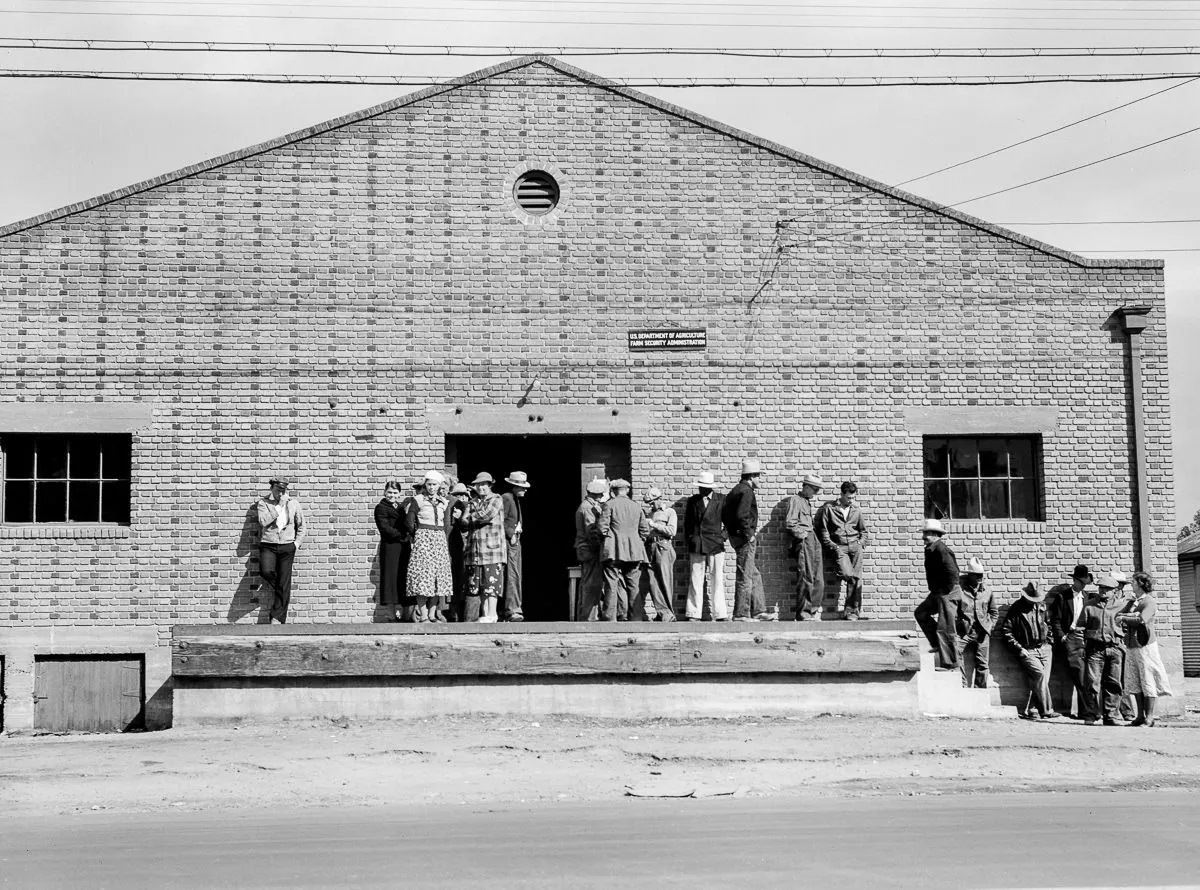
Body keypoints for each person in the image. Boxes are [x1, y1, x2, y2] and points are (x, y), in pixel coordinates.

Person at [1117, 571, 1174, 727]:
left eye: (1134, 582)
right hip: (1131, 645)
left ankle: (1149, 717)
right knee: (1134, 680)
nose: (1132, 585)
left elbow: (1142, 619)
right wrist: (1126, 613)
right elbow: (1120, 613)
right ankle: (1139, 716)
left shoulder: (1149, 601)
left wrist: (1125, 617)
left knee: (1147, 679)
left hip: (1145, 645)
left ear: (1141, 584)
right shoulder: (1134, 601)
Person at [1000, 582, 1057, 720]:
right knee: (1040, 676)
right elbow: (1006, 631)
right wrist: (1019, 649)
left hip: (1044, 648)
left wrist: (1049, 642)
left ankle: (1032, 709)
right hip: (1028, 650)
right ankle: (1047, 710)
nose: (1034, 602)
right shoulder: (1016, 609)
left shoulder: (1042, 606)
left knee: (1041, 681)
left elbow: (1048, 624)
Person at [723, 459, 771, 622]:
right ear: (751, 476)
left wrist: (732, 532)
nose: (760, 480)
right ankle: (741, 613)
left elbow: (726, 514)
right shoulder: (746, 491)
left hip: (736, 537)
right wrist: (749, 534)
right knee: (745, 575)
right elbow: (741, 515)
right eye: (758, 476)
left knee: (753, 574)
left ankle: (759, 610)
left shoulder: (735, 491)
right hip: (744, 539)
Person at [913, 518, 964, 670]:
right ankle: (937, 644)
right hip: (938, 592)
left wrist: (945, 591)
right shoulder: (931, 549)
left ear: (935, 534)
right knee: (921, 613)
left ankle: (950, 664)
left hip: (947, 592)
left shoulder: (941, 549)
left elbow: (953, 573)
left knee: (946, 627)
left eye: (926, 534)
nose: (923, 537)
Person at [1047, 564, 1096, 721]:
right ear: (1074, 580)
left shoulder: (1088, 597)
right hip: (1071, 638)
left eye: (1084, 583)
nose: (1082, 586)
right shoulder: (1063, 597)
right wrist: (1062, 636)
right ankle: (1086, 712)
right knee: (1079, 674)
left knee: (1088, 676)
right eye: (1080, 582)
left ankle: (1086, 711)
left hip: (1085, 639)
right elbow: (1055, 620)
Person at [596, 479, 650, 621]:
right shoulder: (636, 506)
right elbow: (645, 530)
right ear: (627, 490)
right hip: (634, 551)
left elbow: (602, 528)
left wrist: (606, 540)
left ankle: (609, 618)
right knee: (634, 586)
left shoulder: (609, 505)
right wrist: (637, 542)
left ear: (613, 491)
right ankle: (636, 618)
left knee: (611, 584)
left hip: (613, 550)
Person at [404, 470, 454, 622]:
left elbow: (446, 524)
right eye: (429, 484)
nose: (432, 487)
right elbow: (409, 522)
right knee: (423, 578)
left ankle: (432, 614)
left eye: (434, 485)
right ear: (425, 485)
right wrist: (418, 534)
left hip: (439, 540)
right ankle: (423, 614)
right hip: (424, 539)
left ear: (439, 486)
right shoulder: (418, 500)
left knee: (438, 578)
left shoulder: (443, 502)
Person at [256, 475, 306, 624]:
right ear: (272, 488)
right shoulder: (263, 503)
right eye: (278, 490)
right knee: (266, 572)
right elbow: (263, 521)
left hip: (287, 546)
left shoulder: (293, 503)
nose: (281, 493)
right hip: (268, 544)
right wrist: (278, 507)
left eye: (283, 490)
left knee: (284, 580)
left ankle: (277, 617)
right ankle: (281, 588)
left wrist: (296, 544)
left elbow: (301, 526)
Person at [816, 481, 869, 620]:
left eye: (853, 498)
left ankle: (852, 612)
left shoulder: (856, 510)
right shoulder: (829, 509)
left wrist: (861, 543)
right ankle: (851, 611)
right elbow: (823, 530)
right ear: (841, 494)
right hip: (840, 548)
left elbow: (863, 531)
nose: (851, 500)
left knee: (857, 579)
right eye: (849, 497)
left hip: (855, 547)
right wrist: (833, 546)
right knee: (848, 574)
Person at [458, 472, 506, 623]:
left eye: (484, 484)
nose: (481, 488)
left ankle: (493, 614)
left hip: (492, 551)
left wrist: (470, 517)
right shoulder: (473, 502)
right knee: (478, 586)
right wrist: (469, 517)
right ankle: (485, 615)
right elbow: (463, 522)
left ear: (490, 485)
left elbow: (486, 515)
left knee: (491, 584)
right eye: (478, 485)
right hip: (475, 551)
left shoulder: (497, 499)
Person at [1080, 574, 1127, 726]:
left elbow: (1127, 627)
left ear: (1115, 590)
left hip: (1115, 648)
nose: (1103, 591)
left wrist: (1122, 642)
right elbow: (1080, 627)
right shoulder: (1089, 605)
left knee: (1113, 683)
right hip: (1095, 650)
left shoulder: (1122, 606)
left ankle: (1111, 715)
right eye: (1101, 588)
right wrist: (1083, 645)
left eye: (1107, 589)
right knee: (1092, 683)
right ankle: (1091, 715)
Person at [683, 471, 728, 621]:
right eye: (700, 486)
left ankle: (720, 613)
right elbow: (688, 524)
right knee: (695, 578)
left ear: (711, 487)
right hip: (698, 544)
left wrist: (722, 537)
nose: (701, 489)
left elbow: (729, 523)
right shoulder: (693, 501)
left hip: (715, 544)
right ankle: (694, 613)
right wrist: (691, 539)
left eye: (704, 487)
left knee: (717, 579)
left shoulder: (721, 500)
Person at [784, 473, 825, 620]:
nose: (816, 493)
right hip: (804, 541)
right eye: (814, 489)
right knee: (806, 577)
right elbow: (790, 523)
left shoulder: (806, 502)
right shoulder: (795, 500)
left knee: (818, 579)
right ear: (806, 486)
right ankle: (804, 614)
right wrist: (802, 535)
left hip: (812, 540)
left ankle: (812, 611)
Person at [639, 487, 678, 622]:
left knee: (665, 580)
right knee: (652, 581)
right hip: (650, 547)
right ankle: (662, 612)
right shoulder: (649, 513)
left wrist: (654, 525)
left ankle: (669, 613)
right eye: (648, 503)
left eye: (652, 502)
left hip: (663, 546)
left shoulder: (669, 512)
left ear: (658, 499)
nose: (650, 505)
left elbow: (672, 531)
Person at [958, 557, 997, 688]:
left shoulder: (987, 591)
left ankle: (980, 691)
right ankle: (962, 686)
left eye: (981, 575)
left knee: (983, 664)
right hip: (963, 632)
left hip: (982, 632)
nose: (980, 577)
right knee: (955, 654)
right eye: (976, 575)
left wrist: (989, 627)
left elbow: (994, 612)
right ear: (969, 575)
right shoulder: (960, 590)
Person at [574, 478, 608, 621]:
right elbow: (591, 530)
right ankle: (588, 618)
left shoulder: (588, 505)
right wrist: (600, 545)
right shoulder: (588, 508)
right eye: (600, 495)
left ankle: (590, 616)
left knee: (590, 583)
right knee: (591, 584)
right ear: (596, 495)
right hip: (589, 550)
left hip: (586, 549)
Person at [500, 470, 531, 622]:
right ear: (513, 486)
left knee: (516, 575)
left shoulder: (515, 499)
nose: (525, 490)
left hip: (515, 541)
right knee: (512, 575)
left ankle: (514, 607)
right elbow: (501, 519)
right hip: (509, 541)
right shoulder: (507, 498)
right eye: (522, 487)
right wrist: (511, 533)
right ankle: (512, 609)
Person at [373, 480, 407, 621]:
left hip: (403, 547)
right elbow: (385, 528)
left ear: (399, 494)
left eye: (395, 492)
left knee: (402, 577)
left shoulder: (401, 507)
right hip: (390, 547)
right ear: (384, 492)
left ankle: (405, 613)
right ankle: (391, 614)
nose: (392, 495)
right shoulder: (381, 507)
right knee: (390, 579)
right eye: (389, 492)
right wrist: (402, 536)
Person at [446, 482, 470, 621]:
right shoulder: (452, 508)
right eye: (457, 495)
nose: (461, 497)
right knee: (456, 579)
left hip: (469, 548)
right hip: (456, 548)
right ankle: (453, 612)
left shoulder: (470, 508)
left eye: (463, 495)